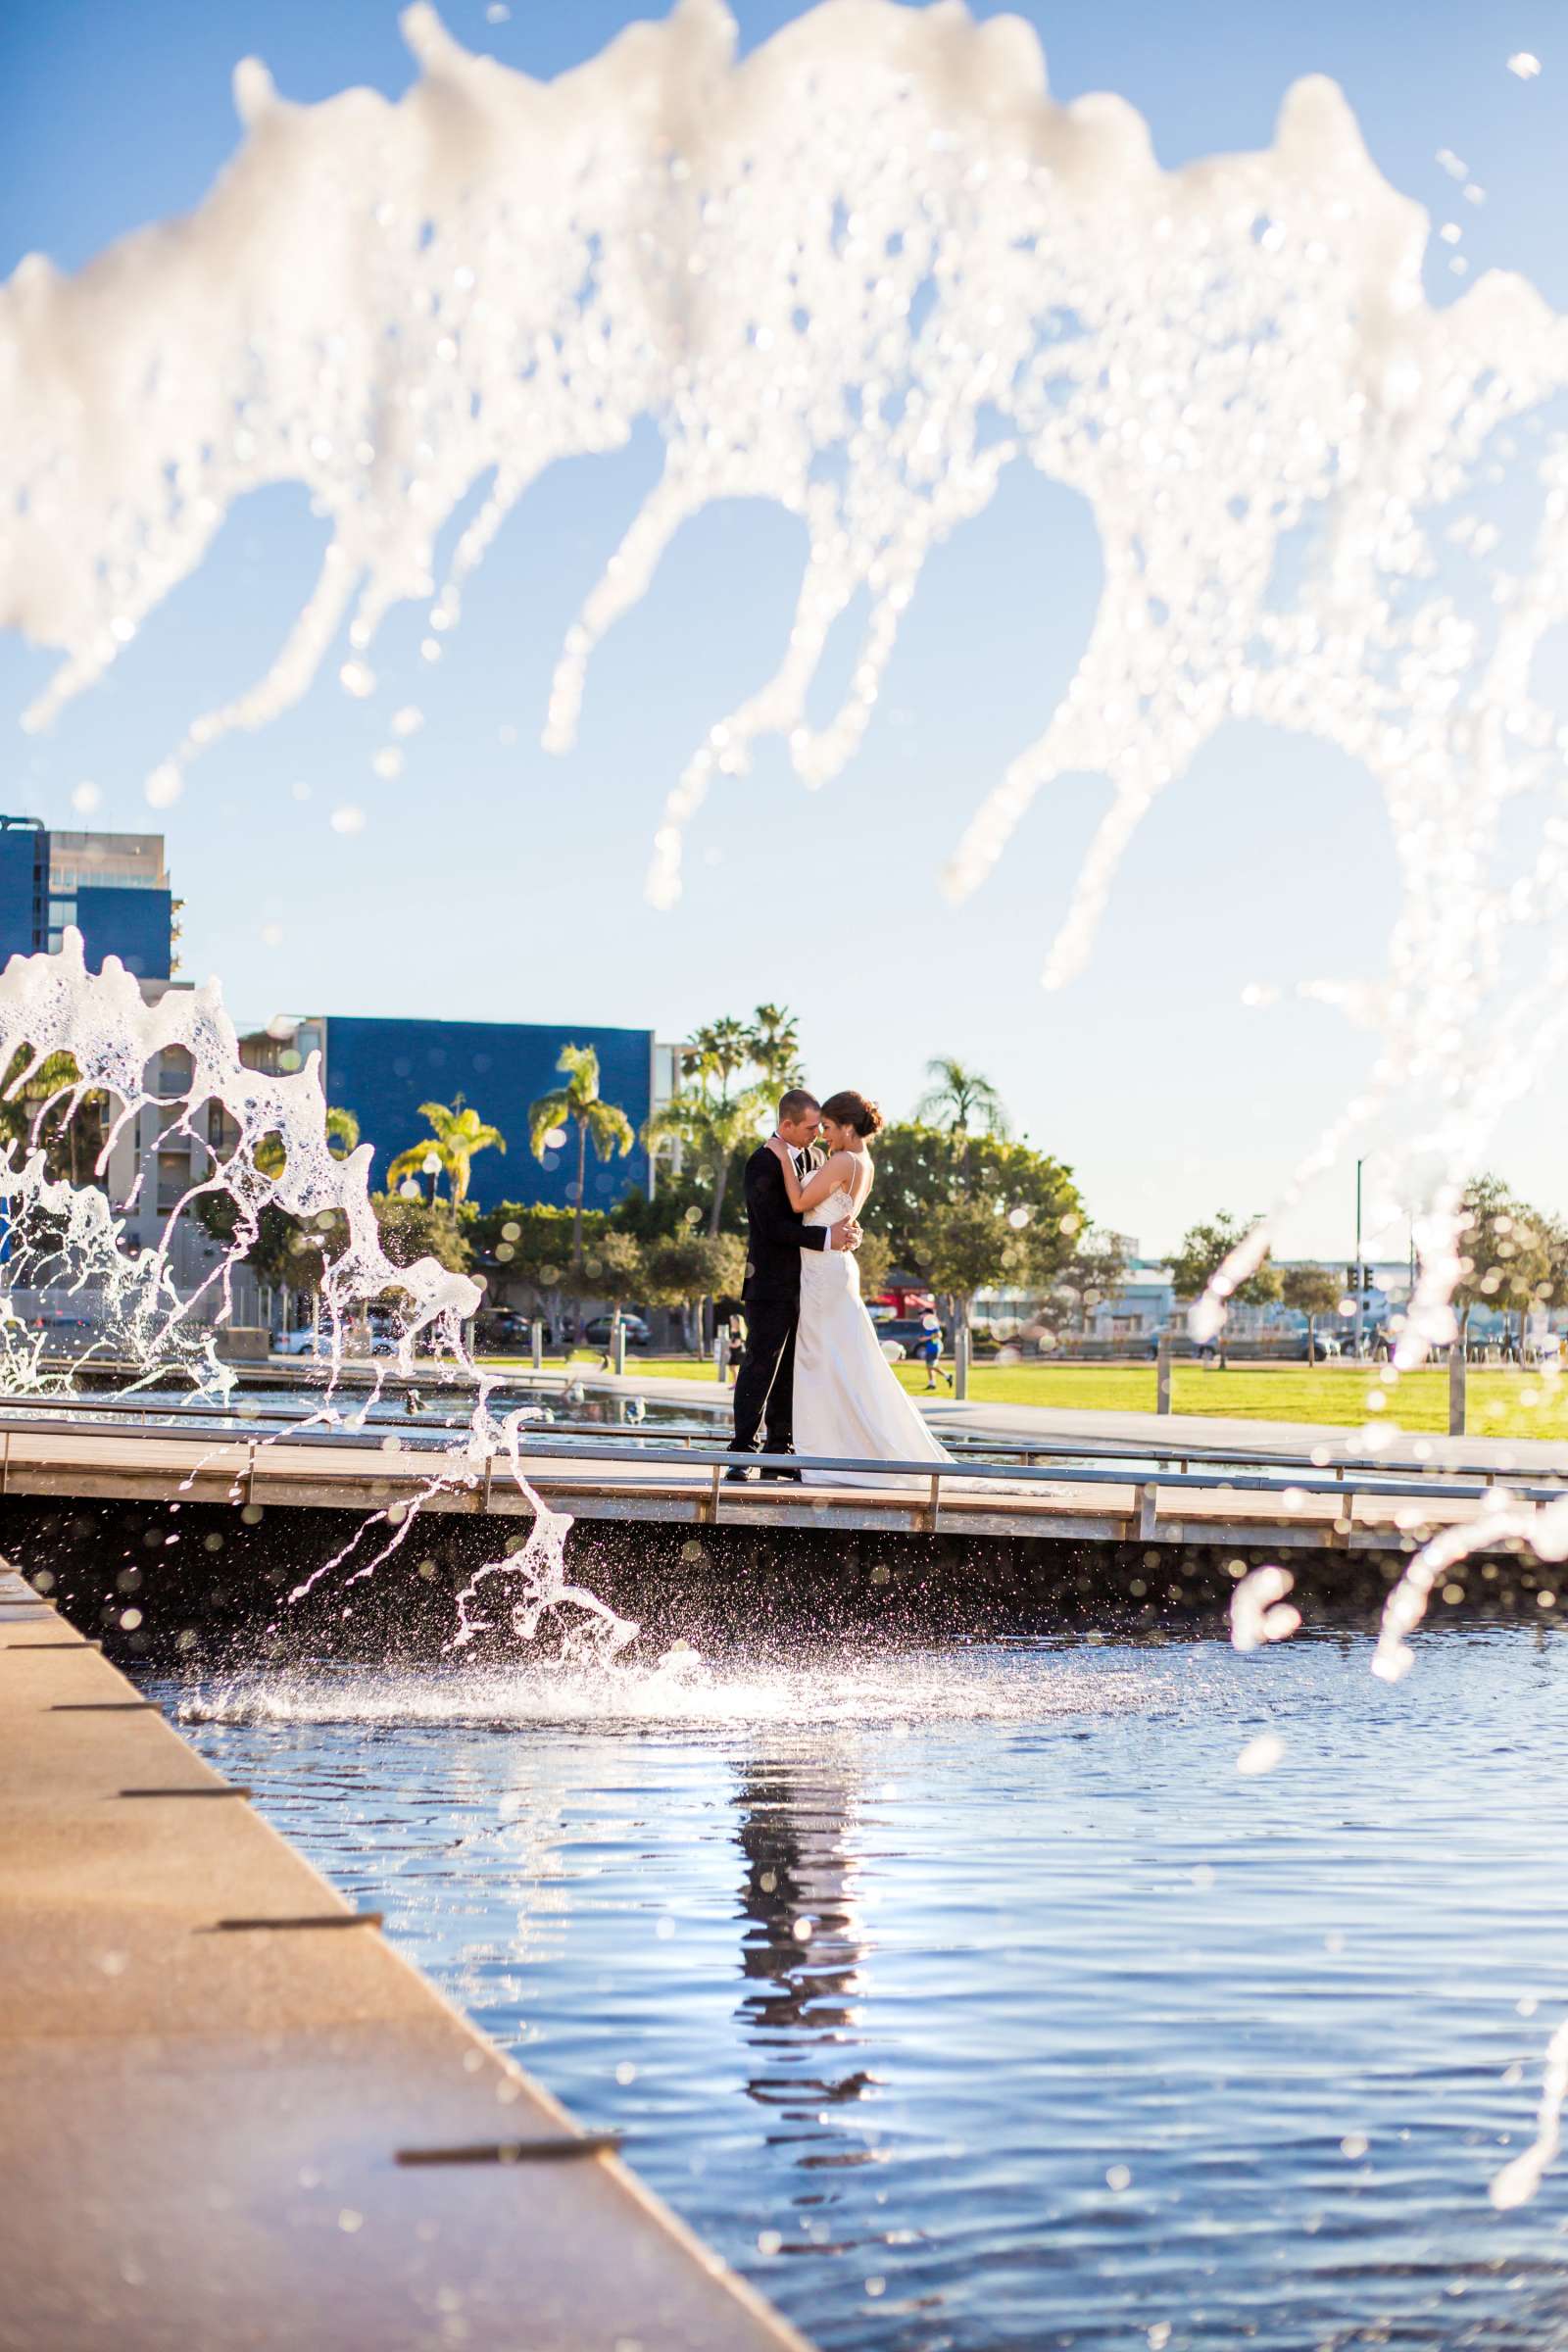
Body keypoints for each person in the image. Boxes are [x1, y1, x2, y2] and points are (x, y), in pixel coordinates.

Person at [765, 1089, 957, 1487]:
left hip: (824, 1272)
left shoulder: (842, 1160)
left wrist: (783, 1158)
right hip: (833, 1266)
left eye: (831, 1129)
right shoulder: (864, 1163)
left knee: (819, 1360)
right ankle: (831, 1449)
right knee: (837, 1360)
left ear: (849, 1128)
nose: (825, 1136)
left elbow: (800, 1202)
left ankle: (822, 1454)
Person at [726, 1088, 862, 1482]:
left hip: (812, 1284)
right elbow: (770, 1228)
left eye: (820, 1126)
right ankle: (740, 1450)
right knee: (760, 1364)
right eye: (809, 1127)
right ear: (786, 1124)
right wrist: (825, 1239)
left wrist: (848, 1233)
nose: (817, 1134)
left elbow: (825, 1210)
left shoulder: (820, 1158)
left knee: (794, 1369)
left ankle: (779, 1451)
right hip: (769, 1284)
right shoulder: (761, 1162)